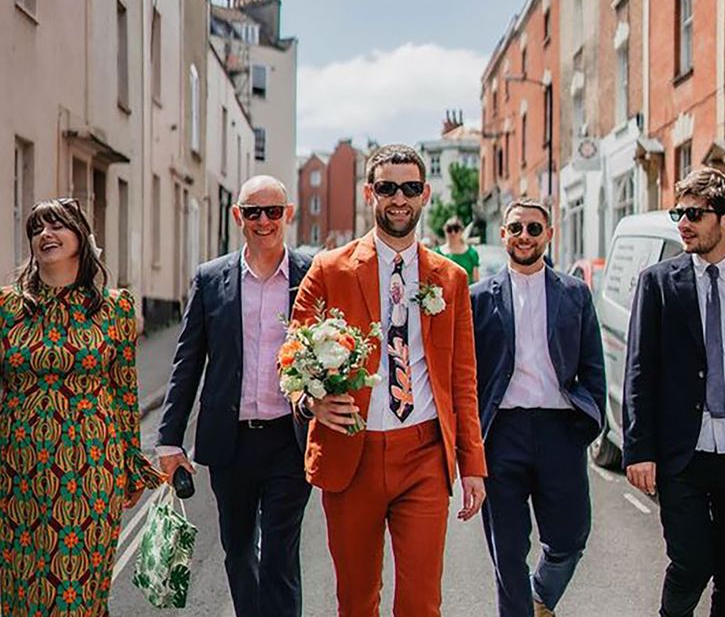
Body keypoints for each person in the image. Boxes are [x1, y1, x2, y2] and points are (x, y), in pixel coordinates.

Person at [292, 144, 487, 616]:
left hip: (423, 455)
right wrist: (309, 402)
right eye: (387, 187)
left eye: (410, 188)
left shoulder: (452, 278)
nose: (399, 198)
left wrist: (473, 463)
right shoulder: (329, 269)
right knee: (357, 602)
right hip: (351, 453)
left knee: (422, 603)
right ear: (369, 193)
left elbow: (463, 379)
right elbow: (292, 357)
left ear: (425, 196)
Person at [156, 176, 313, 617]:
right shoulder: (211, 279)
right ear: (237, 216)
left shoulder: (310, 275)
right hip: (232, 440)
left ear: (289, 214)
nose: (264, 221)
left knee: (280, 555)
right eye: (253, 212)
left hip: (290, 439)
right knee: (239, 553)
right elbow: (187, 363)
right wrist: (169, 440)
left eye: (273, 212)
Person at [0, 198, 162, 616]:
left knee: (80, 590)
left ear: (80, 239)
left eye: (56, 226)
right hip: (17, 473)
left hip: (91, 471)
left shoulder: (114, 307)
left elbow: (125, 390)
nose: (45, 235)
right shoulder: (7, 307)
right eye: (36, 229)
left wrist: (132, 463)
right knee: (20, 588)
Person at [623, 168, 725, 617]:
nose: (682, 223)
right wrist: (638, 450)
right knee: (690, 563)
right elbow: (640, 370)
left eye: (694, 214)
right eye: (678, 212)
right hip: (681, 452)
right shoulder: (658, 283)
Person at [470, 199, 606, 617]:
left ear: (549, 234)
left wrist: (587, 425)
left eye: (533, 228)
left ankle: (539, 597)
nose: (524, 236)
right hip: (502, 433)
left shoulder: (574, 293)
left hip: (559, 430)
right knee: (507, 550)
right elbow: (467, 374)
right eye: (516, 228)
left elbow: (593, 365)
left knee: (571, 536)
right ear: (503, 234)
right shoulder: (478, 298)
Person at [435, 216, 480, 283]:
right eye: (449, 230)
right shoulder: (437, 253)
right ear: (445, 231)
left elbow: (476, 280)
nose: (453, 233)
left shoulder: (472, 253)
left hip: (466, 292)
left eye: (456, 229)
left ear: (461, 231)